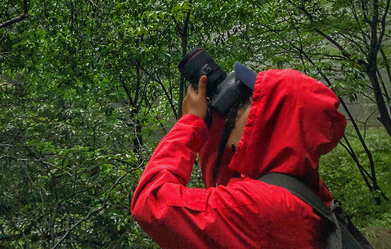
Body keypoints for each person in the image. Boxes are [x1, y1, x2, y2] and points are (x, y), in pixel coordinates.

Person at [131, 66, 347, 248]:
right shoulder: (299, 189)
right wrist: (216, 124)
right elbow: (225, 189)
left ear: (269, 118)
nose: (239, 111)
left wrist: (190, 124)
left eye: (248, 103)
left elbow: (151, 203)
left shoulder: (264, 206)